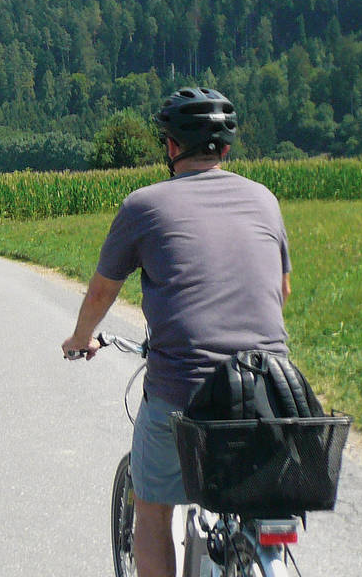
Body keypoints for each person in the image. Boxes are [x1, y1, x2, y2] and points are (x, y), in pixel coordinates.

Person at [61, 87, 292, 577]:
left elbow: (102, 293)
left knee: (152, 510)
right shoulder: (265, 200)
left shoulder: (144, 205)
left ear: (170, 146)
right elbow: (282, 290)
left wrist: (81, 338)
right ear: (225, 148)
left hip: (182, 390)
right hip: (270, 389)